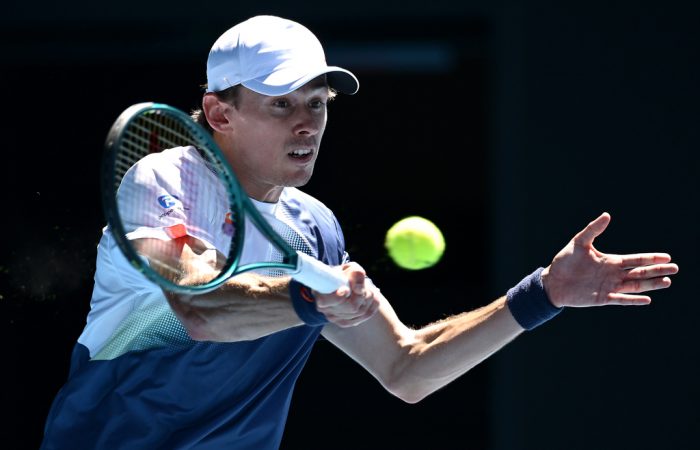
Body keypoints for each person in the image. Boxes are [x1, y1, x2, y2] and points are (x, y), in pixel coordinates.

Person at [40, 15, 679, 450]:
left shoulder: (315, 228)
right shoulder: (163, 176)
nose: (307, 123)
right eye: (281, 103)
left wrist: (542, 295)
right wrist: (303, 299)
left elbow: (407, 368)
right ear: (217, 112)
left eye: (317, 103)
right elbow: (199, 307)